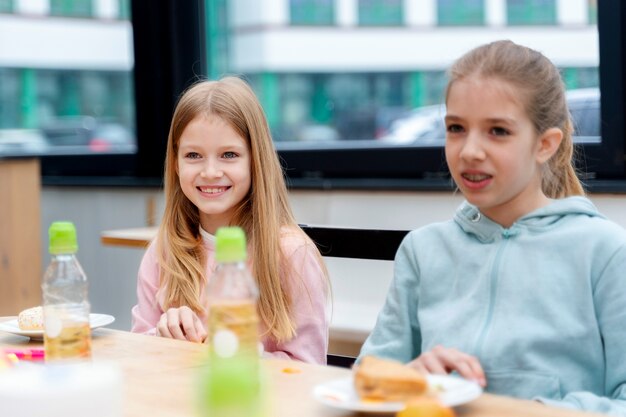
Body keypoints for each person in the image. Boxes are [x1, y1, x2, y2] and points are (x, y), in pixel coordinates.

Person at [358, 40, 626, 414]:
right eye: (455, 128)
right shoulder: (423, 250)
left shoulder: (605, 250)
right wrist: (410, 377)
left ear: (545, 144)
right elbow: (367, 377)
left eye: (497, 131)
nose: (469, 151)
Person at [131, 76, 330, 364]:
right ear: (176, 164)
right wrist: (162, 339)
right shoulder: (162, 252)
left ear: (255, 160)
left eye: (229, 155)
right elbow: (136, 355)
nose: (210, 171)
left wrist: (247, 357)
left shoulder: (291, 254)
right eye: (194, 155)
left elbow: (309, 369)